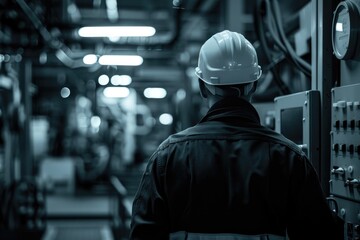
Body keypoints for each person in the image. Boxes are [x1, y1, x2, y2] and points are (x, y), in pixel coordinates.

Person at [129, 30, 343, 240]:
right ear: (255, 85)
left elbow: (143, 234)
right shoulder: (289, 158)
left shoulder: (168, 157)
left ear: (203, 87)